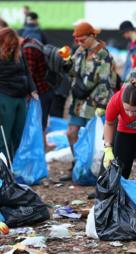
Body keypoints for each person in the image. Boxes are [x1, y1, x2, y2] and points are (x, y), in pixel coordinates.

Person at [57, 21, 117, 181]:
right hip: (78, 102)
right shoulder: (81, 51)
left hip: (95, 103)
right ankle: (78, 165)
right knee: (71, 133)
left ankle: (98, 170)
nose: (79, 43)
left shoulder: (104, 55)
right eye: (77, 40)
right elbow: (72, 72)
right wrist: (66, 59)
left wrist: (102, 105)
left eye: (82, 40)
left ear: (92, 36)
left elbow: (106, 82)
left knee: (97, 138)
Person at [0, 27, 39, 157]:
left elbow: (26, 72)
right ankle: (2, 170)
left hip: (21, 99)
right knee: (2, 140)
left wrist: (32, 89)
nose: (12, 48)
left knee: (19, 137)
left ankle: (16, 169)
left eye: (14, 45)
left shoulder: (18, 52)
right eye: (10, 45)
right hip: (3, 99)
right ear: (2, 43)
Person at [21, 37, 53, 150]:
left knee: (36, 119)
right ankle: (43, 144)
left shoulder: (28, 50)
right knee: (42, 118)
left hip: (39, 91)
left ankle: (38, 147)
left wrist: (28, 92)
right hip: (47, 88)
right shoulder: (34, 43)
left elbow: (29, 74)